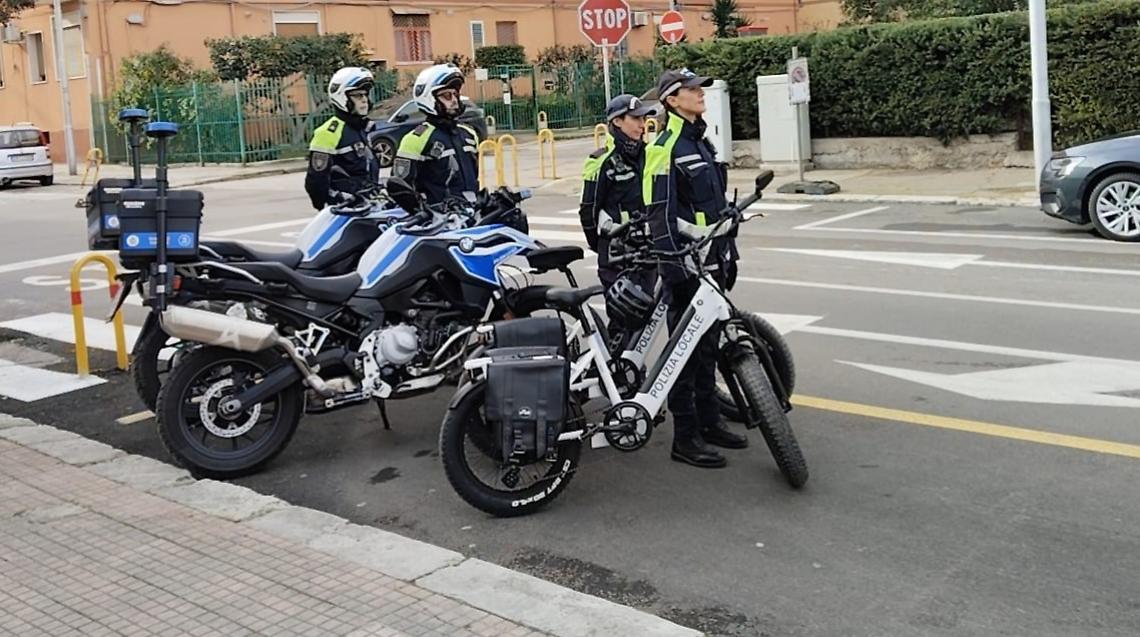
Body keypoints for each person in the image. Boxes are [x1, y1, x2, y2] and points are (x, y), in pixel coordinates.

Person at [643, 68, 747, 469]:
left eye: (699, 88)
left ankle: (710, 421)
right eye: (690, 89)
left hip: (712, 261)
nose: (699, 93)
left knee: (708, 348)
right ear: (672, 100)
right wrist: (675, 267)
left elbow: (712, 203)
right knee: (683, 354)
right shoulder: (664, 146)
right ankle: (685, 438)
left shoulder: (699, 138)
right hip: (686, 268)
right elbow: (659, 214)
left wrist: (728, 245)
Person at [392, 64, 480, 206]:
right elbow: (401, 188)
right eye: (446, 95)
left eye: (455, 94)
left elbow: (474, 178)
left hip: (472, 212)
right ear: (429, 98)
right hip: (440, 219)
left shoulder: (469, 134)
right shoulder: (415, 139)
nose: (454, 100)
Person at [305, 67, 380, 210]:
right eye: (358, 96)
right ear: (342, 97)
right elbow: (316, 181)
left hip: (369, 205)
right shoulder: (328, 132)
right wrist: (337, 199)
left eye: (365, 95)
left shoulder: (362, 128)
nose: (364, 100)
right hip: (346, 209)